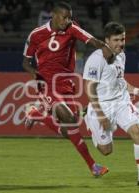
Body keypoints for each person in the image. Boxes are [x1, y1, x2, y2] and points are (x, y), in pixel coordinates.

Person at [22, 1, 114, 177]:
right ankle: (93, 166)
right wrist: (35, 75)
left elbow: (90, 39)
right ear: (54, 15)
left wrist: (104, 47)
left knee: (69, 130)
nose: (67, 21)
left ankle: (37, 115)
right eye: (64, 17)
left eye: (69, 18)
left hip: (66, 83)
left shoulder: (72, 28)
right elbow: (25, 62)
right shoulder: (36, 34)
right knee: (71, 119)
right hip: (47, 84)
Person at [83, 21, 139, 186]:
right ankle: (89, 119)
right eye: (116, 40)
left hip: (120, 101)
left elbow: (119, 80)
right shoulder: (96, 59)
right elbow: (89, 88)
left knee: (138, 132)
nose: (120, 44)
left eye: (122, 39)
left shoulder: (121, 55)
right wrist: (100, 115)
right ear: (107, 40)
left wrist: (137, 91)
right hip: (101, 105)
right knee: (106, 151)